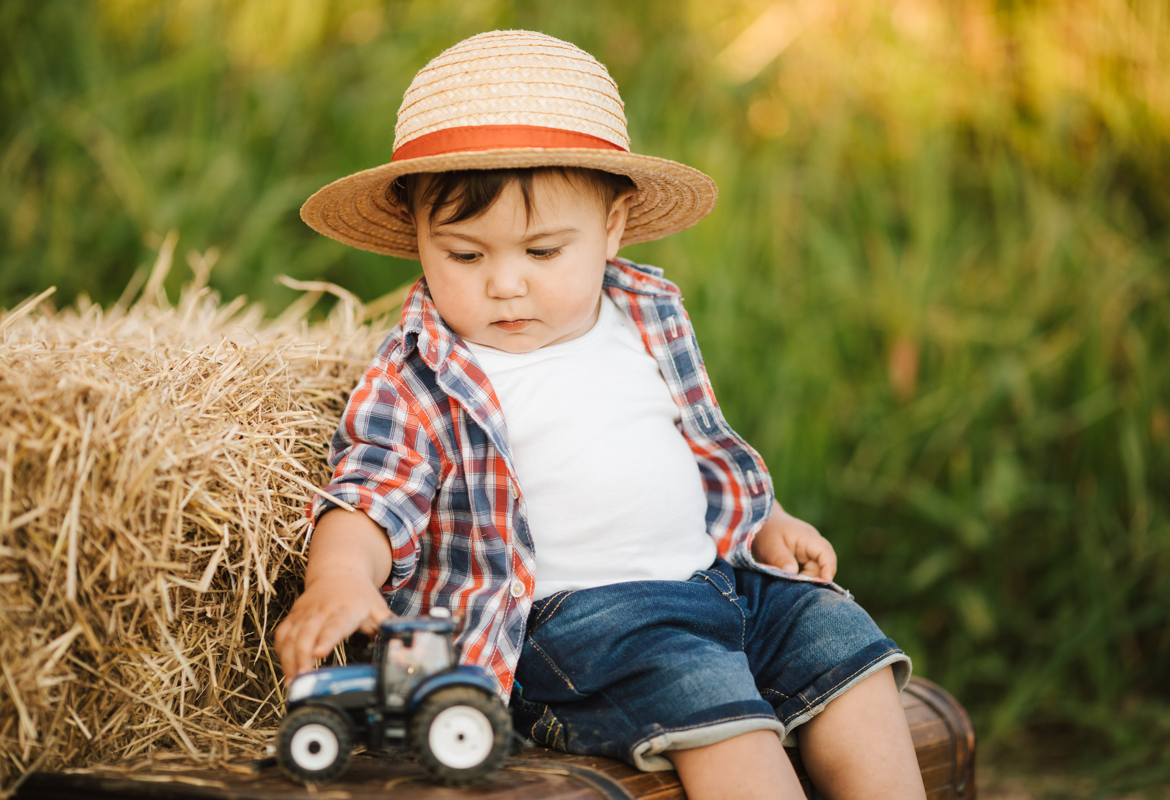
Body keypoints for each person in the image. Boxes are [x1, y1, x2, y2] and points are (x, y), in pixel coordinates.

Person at [274, 30, 925, 800]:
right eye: (466, 255)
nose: (505, 284)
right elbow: (372, 491)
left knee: (837, 640)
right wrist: (342, 575)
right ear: (417, 235)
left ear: (612, 228)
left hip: (716, 579)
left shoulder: (646, 315)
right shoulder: (423, 370)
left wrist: (765, 518)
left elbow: (692, 447)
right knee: (717, 711)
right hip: (581, 625)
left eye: (543, 253)